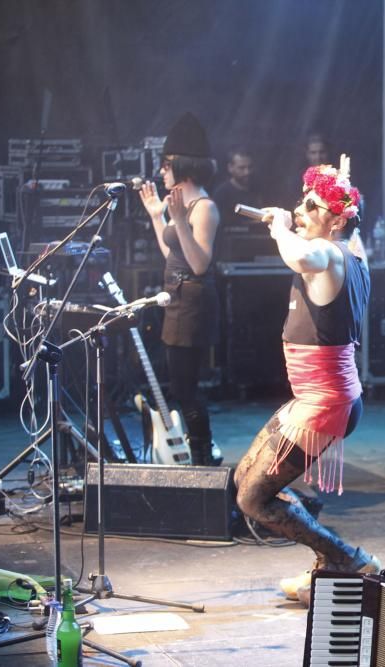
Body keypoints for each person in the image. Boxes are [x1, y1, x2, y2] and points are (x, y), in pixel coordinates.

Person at [233, 155, 380, 606]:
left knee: (254, 501)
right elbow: (316, 243)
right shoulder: (351, 251)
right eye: (302, 203)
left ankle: (347, 559)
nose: (300, 211)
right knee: (244, 478)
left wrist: (280, 225)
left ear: (336, 220)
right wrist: (322, 207)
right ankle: (326, 552)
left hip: (324, 403)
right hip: (316, 398)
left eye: (312, 206)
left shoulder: (329, 254)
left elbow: (298, 253)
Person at [138, 112, 220, 466]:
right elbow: (173, 254)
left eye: (166, 165)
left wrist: (179, 220)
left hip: (193, 302)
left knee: (186, 386)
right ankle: (195, 447)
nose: (161, 172)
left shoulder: (204, 207)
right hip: (174, 296)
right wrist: (159, 216)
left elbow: (199, 263)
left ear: (182, 166)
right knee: (175, 381)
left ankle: (202, 452)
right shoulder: (177, 205)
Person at [212, 146, 271, 262]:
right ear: (230, 168)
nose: (247, 172)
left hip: (258, 250)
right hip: (230, 254)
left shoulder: (258, 189)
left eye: (249, 167)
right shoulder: (222, 193)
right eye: (241, 168)